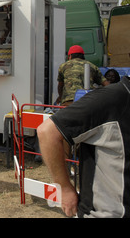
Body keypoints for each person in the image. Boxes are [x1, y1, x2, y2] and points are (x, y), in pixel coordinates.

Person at [37, 76, 130, 218]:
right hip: (108, 213)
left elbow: (60, 85)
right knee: (68, 133)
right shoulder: (113, 98)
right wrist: (65, 187)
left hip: (70, 100)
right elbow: (48, 132)